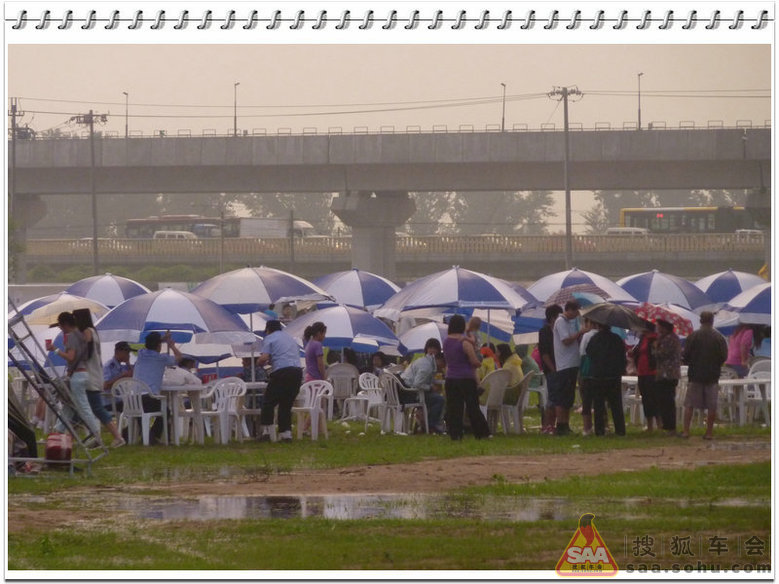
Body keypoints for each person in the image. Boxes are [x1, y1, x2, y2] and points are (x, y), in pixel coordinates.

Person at [50, 312, 103, 447]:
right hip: (83, 373)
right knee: (68, 406)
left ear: (65, 324)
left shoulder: (73, 336)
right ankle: (58, 432)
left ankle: (96, 434)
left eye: (61, 326)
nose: (61, 329)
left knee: (83, 407)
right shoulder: (81, 334)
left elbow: (71, 357)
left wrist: (54, 349)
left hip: (77, 376)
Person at [73, 308, 124, 448]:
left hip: (91, 376)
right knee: (90, 408)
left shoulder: (87, 332)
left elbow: (86, 350)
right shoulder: (92, 331)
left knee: (96, 408)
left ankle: (117, 437)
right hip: (94, 375)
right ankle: (96, 437)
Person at [442, 314, 490, 440]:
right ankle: (481, 432)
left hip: (451, 378)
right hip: (466, 378)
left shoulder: (446, 342)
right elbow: (474, 362)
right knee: (472, 407)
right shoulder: (464, 342)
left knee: (454, 408)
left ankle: (455, 433)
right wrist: (479, 361)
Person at [681, 311, 728, 440]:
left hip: (695, 374)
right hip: (712, 375)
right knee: (711, 406)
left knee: (690, 404)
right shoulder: (719, 337)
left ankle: (686, 431)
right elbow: (723, 356)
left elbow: (685, 356)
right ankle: (709, 432)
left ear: (700, 320)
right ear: (712, 321)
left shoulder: (693, 336)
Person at [133, 331, 184, 444]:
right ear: (159, 346)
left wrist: (162, 339)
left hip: (133, 399)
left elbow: (152, 345)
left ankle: (146, 435)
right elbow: (179, 357)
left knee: (143, 414)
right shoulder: (161, 359)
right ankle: (154, 436)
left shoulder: (141, 354)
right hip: (148, 399)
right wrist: (171, 345)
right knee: (165, 411)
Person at [257, 320, 303, 443]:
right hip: (297, 372)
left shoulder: (269, 338)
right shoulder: (289, 338)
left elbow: (264, 358)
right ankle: (286, 434)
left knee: (268, 402)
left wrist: (259, 363)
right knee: (286, 404)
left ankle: (266, 432)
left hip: (282, 372)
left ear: (268, 330)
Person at [586, 322, 627, 436]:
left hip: (598, 375)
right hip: (613, 375)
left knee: (599, 405)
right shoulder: (616, 339)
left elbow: (589, 353)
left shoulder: (594, 339)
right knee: (616, 404)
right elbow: (622, 356)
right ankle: (620, 430)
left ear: (598, 326)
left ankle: (599, 430)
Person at [400, 338, 446, 433]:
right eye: (430, 348)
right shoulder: (427, 366)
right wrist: (430, 387)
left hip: (404, 390)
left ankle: (424, 424)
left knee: (433, 398)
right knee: (439, 400)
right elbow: (418, 384)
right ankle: (430, 425)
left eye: (435, 348)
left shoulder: (423, 361)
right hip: (409, 394)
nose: (432, 350)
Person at [552, 301, 584, 436]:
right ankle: (560, 424)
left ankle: (566, 423)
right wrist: (579, 333)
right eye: (576, 312)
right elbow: (565, 340)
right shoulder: (560, 322)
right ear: (570, 310)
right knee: (562, 396)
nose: (576, 315)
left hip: (572, 363)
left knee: (569, 397)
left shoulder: (570, 323)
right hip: (564, 364)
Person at [651, 320, 682, 436]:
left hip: (667, 374)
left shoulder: (669, 339)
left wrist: (655, 347)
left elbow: (661, 354)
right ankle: (667, 426)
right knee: (664, 401)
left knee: (667, 401)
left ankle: (670, 427)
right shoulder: (669, 338)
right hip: (667, 374)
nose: (657, 328)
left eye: (659, 326)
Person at [538, 305, 563, 434]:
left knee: (557, 398)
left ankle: (553, 424)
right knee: (552, 398)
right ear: (553, 318)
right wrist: (553, 369)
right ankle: (547, 425)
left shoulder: (559, 331)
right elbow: (545, 353)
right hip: (552, 369)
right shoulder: (545, 332)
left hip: (561, 368)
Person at [632, 327, 661, 432]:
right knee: (645, 398)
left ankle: (659, 423)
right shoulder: (642, 338)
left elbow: (657, 354)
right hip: (641, 371)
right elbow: (639, 351)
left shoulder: (655, 339)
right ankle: (649, 425)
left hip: (651, 372)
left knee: (653, 398)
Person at [577, 318, 597, 436]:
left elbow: (582, 353)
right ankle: (603, 425)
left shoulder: (587, 336)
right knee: (599, 401)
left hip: (586, 371)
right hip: (599, 372)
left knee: (586, 401)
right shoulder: (602, 335)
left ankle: (587, 427)